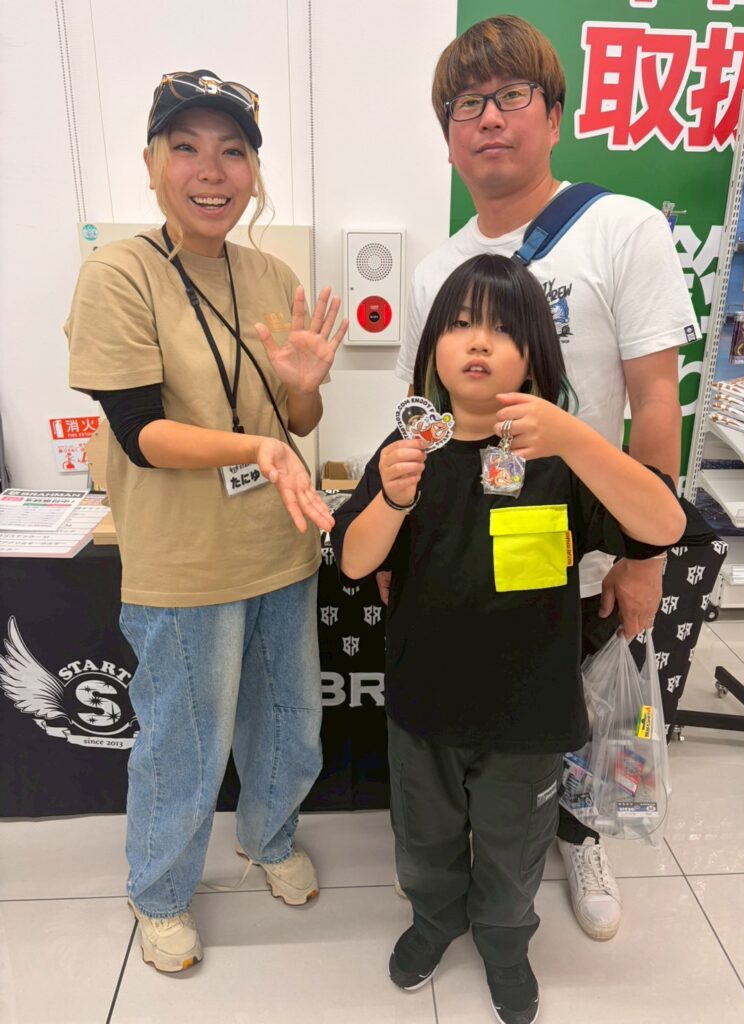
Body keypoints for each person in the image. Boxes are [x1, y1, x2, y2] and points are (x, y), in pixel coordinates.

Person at [392, 15, 699, 941]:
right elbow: (423, 411)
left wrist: (646, 558)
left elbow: (656, 400)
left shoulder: (622, 228)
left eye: (511, 96)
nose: (489, 118)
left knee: (578, 707)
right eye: (466, 105)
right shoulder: (439, 270)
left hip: (587, 538)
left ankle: (581, 832)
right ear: (447, 135)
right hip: (472, 553)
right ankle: (482, 855)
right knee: (502, 713)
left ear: (554, 114)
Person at [332, 253, 686, 1024]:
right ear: (433, 345)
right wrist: (391, 498)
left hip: (530, 714)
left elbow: (664, 524)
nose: (478, 341)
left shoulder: (559, 459)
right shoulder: (409, 452)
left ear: (534, 354)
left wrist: (576, 438)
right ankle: (434, 921)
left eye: (501, 328)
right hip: (424, 707)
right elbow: (354, 563)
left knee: (514, 845)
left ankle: (504, 942)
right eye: (460, 324)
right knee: (424, 839)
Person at [66, 70, 347, 973]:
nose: (210, 170)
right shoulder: (119, 274)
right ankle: (158, 893)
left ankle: (269, 838)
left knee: (289, 722)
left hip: (281, 546)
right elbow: (141, 433)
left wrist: (304, 393)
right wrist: (257, 446)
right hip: (184, 563)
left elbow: (295, 423)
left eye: (232, 151)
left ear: (254, 173)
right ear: (152, 164)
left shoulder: (272, 275)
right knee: (183, 745)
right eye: (185, 147)